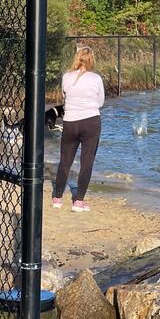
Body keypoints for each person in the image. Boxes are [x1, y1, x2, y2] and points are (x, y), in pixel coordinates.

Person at [53, 45, 105, 212]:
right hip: (90, 121)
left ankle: (57, 197)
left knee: (65, 160)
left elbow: (64, 96)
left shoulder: (66, 77)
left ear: (76, 59)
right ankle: (79, 201)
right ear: (91, 60)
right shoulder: (96, 78)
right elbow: (100, 102)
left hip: (70, 121)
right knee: (86, 162)